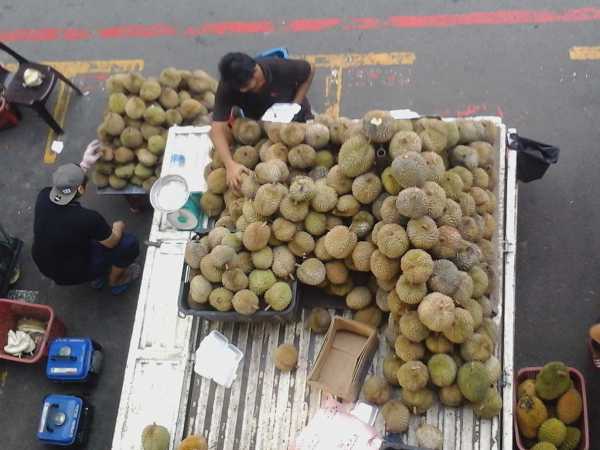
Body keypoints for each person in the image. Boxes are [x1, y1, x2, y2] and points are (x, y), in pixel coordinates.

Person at [32, 140, 141, 295]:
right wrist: (118, 226)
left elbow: (67, 188)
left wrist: (84, 164)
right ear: (81, 189)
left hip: (46, 263)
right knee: (127, 243)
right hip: (72, 271)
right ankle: (115, 281)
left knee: (82, 237)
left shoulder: (44, 196)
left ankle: (95, 276)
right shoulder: (87, 219)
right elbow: (112, 242)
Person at [210, 52, 315, 190]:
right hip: (261, 124)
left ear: (254, 68)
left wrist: (295, 105)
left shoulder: (279, 68)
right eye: (247, 89)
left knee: (310, 149)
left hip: (295, 119)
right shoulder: (227, 88)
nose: (255, 86)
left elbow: (310, 69)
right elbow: (217, 129)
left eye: (256, 83)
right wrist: (230, 164)